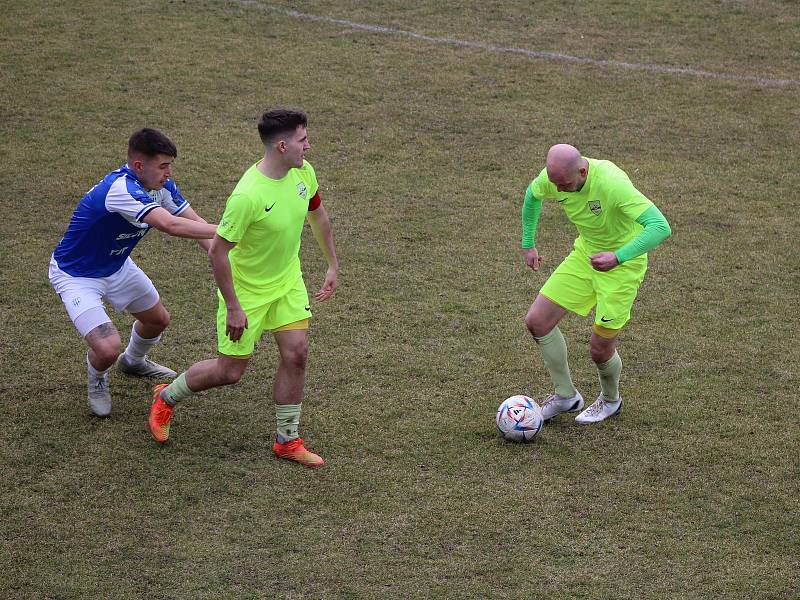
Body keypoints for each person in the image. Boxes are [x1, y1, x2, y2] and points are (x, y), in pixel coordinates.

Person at [148, 108, 339, 468]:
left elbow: (318, 215)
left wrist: (331, 263)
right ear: (282, 146)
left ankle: (287, 440)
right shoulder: (247, 196)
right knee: (230, 372)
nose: (308, 146)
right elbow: (218, 252)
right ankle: (166, 396)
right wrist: (234, 306)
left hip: (286, 283)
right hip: (246, 292)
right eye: (302, 140)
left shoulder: (304, 173)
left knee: (297, 353)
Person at [49, 128, 218, 417]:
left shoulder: (161, 186)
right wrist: (232, 231)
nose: (169, 173)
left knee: (157, 320)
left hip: (117, 266)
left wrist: (225, 253)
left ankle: (133, 361)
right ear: (139, 165)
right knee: (106, 348)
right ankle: (98, 378)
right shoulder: (121, 190)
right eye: (163, 166)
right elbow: (171, 226)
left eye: (170, 165)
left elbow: (196, 225)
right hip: (76, 276)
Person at [521, 144, 671, 424]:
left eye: (564, 185)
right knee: (537, 321)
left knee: (599, 349)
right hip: (585, 257)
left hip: (622, 268)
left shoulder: (612, 184)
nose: (559, 191)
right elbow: (532, 196)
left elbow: (660, 226)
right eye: (555, 185)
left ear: (582, 170)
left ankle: (611, 400)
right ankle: (566, 396)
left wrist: (619, 257)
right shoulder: (554, 179)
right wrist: (528, 244)